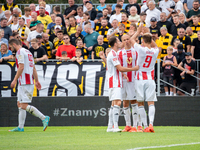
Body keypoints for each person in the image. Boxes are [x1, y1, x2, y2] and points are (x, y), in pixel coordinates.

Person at [8, 39, 50, 132]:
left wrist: (14, 80)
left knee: (23, 105)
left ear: (14, 44)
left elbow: (21, 67)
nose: (11, 49)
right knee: (19, 104)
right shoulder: (28, 52)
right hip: (26, 81)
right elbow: (33, 67)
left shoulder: (20, 52)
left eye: (11, 47)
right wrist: (37, 80)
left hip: (25, 82)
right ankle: (20, 127)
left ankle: (43, 118)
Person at [106, 36, 139, 132]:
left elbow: (117, 69)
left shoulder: (113, 53)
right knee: (117, 103)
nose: (121, 42)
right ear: (115, 44)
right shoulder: (113, 54)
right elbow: (120, 68)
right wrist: (133, 69)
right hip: (115, 81)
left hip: (114, 80)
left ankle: (109, 126)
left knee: (113, 104)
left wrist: (123, 74)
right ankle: (115, 126)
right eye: (119, 41)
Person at [131, 23, 159, 132]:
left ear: (142, 41)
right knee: (151, 102)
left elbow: (131, 39)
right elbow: (155, 45)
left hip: (139, 78)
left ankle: (146, 126)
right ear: (151, 41)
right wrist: (148, 35)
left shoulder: (140, 49)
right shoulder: (155, 51)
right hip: (150, 79)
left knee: (140, 103)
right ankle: (151, 124)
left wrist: (138, 32)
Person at [117, 34, 140, 132]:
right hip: (123, 81)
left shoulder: (136, 52)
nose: (126, 41)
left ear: (131, 40)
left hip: (133, 80)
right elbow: (117, 67)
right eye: (124, 40)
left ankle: (135, 125)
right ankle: (128, 125)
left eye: (128, 39)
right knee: (125, 102)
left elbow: (140, 65)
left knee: (133, 101)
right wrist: (122, 74)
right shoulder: (119, 53)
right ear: (122, 41)